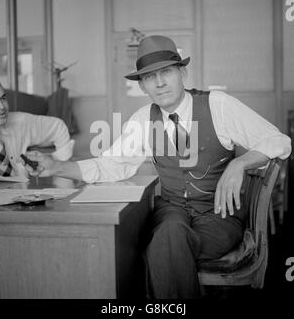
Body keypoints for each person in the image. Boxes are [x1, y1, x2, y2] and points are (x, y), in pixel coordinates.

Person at [24, 35, 291, 299]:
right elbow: (112, 164)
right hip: (172, 211)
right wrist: (57, 167)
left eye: (166, 72)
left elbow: (278, 141)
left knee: (161, 244)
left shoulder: (217, 105)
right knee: (165, 234)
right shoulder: (143, 120)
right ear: (142, 86)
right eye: (150, 77)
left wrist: (240, 163)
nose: (159, 83)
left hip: (218, 216)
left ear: (182, 72)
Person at [0, 79, 74, 178]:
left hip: (23, 191)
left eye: (3, 98)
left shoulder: (19, 122)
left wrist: (57, 166)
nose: (1, 106)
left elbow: (58, 127)